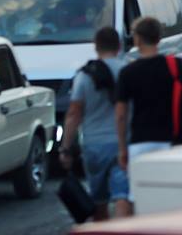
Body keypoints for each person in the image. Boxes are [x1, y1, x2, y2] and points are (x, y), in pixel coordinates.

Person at [60, 27, 131, 221]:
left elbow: (74, 113)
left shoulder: (83, 76)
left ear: (96, 47)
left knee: (98, 201)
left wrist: (66, 148)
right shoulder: (127, 71)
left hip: (93, 145)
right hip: (122, 143)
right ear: (119, 46)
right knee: (122, 196)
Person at [116, 17, 182, 176]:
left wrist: (122, 148)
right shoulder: (175, 65)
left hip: (140, 140)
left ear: (137, 39)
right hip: (171, 140)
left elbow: (121, 115)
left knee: (141, 194)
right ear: (159, 38)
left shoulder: (128, 72)